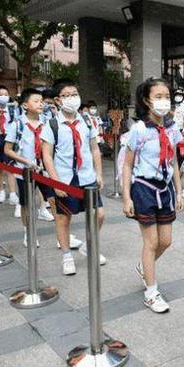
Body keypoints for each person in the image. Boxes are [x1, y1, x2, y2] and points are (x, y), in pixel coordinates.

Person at [122, 77, 184, 313]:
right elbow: (127, 165)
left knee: (166, 241)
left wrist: (179, 192)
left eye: (166, 96)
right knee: (152, 242)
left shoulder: (172, 127)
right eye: (158, 97)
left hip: (164, 188)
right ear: (147, 100)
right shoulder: (138, 129)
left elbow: (174, 161)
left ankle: (143, 268)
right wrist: (126, 197)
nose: (164, 101)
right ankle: (151, 292)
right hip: (144, 189)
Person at [41, 79, 106, 275]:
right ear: (58, 101)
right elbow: (47, 155)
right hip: (65, 178)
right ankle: (67, 256)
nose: (72, 98)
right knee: (63, 219)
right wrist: (55, 181)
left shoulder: (87, 121)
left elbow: (94, 148)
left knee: (99, 215)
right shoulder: (51, 124)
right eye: (67, 95)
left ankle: (88, 246)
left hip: (87, 177)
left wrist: (99, 173)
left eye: (75, 94)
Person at [4, 88, 57, 246]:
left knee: (54, 200)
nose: (40, 104)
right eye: (36, 101)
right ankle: (29, 232)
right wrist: (25, 161)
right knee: (27, 204)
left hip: (44, 169)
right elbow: (7, 150)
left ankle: (61, 233)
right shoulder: (17, 125)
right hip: (25, 171)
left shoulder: (48, 122)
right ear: (25, 105)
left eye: (41, 101)